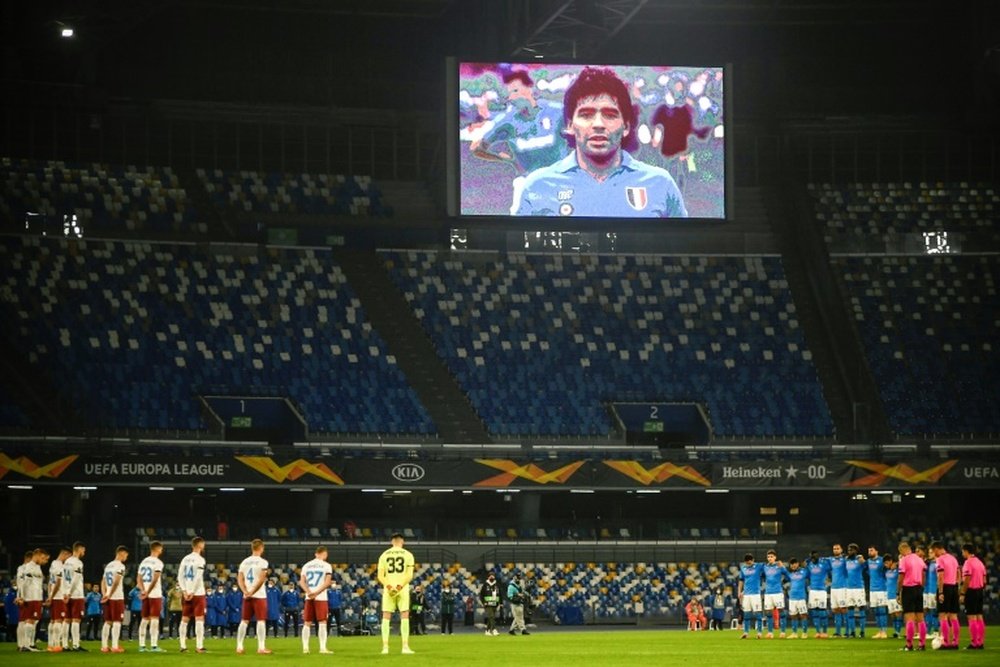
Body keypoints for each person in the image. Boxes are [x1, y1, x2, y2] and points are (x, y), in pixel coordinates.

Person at [515, 66, 687, 218]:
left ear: (626, 126)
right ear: (569, 125)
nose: (598, 124)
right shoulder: (538, 186)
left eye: (610, 115)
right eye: (586, 114)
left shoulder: (660, 183)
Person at [470, 68, 567, 214]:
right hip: (527, 183)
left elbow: (584, 135)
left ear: (529, 88)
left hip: (561, 182)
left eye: (515, 91)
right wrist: (504, 159)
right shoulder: (507, 121)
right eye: (509, 94)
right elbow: (476, 148)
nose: (511, 98)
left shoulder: (557, 111)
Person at [376, 532, 415, 655]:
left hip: (388, 587)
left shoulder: (384, 555)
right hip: (402, 588)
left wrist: (389, 586)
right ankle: (405, 647)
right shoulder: (408, 555)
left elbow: (380, 576)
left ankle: (385, 647)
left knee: (386, 616)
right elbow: (409, 575)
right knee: (404, 615)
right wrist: (399, 587)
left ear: (392, 541)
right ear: (402, 541)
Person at [236, 538, 271, 655]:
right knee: (261, 620)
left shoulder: (244, 562)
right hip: (259, 595)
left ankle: (239, 646)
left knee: (244, 621)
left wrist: (245, 591)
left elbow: (240, 579)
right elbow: (262, 579)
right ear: (261, 548)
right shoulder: (263, 562)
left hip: (247, 595)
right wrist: (253, 591)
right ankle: (261, 647)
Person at [299, 545, 333, 654]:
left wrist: (308, 592)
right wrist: (317, 593)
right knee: (322, 621)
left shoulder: (306, 565)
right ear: (325, 554)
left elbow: (302, 582)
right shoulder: (326, 566)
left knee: (307, 622)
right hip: (321, 597)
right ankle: (322, 648)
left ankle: (305, 648)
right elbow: (327, 582)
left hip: (309, 597)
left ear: (315, 554)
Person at [177, 535, 208, 653]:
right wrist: (192, 591)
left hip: (186, 593)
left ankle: (183, 646)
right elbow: (198, 577)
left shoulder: (185, 559)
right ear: (199, 545)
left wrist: (184, 591)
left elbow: (179, 576)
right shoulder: (200, 560)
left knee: (184, 619)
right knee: (199, 619)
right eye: (203, 544)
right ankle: (199, 646)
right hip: (197, 593)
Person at [16, 548, 49, 652]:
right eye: (43, 558)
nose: (44, 561)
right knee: (29, 620)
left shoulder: (37, 567)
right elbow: (23, 583)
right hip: (30, 597)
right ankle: (25, 645)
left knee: (34, 621)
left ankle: (31, 644)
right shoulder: (28, 567)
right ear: (37, 555)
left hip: (37, 597)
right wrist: (21, 597)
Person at [930, 540, 960, 649]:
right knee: (953, 616)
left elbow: (940, 576)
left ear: (937, 549)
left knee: (942, 615)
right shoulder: (953, 558)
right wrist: (957, 587)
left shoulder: (940, 559)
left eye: (934, 551)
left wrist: (941, 591)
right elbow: (958, 574)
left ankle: (945, 642)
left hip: (945, 587)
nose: (934, 554)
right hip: (953, 587)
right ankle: (955, 642)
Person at [897, 540, 927, 651]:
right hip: (919, 589)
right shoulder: (919, 559)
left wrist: (898, 592)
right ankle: (922, 644)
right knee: (920, 618)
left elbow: (900, 578)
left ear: (903, 550)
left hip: (908, 589)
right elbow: (924, 574)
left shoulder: (904, 560)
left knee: (909, 618)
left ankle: (909, 645)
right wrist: (921, 587)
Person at [137, 540, 166, 652]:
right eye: (161, 549)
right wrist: (148, 591)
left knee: (144, 619)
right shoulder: (158, 562)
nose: (162, 551)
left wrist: (143, 590)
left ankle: (142, 645)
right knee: (154, 619)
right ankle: (154, 645)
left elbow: (138, 579)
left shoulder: (143, 561)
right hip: (154, 594)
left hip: (146, 594)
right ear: (157, 549)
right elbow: (155, 578)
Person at [99, 545, 128, 653]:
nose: (126, 557)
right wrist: (110, 594)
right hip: (116, 597)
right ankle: (115, 646)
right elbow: (116, 581)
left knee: (107, 621)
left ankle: (104, 646)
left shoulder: (108, 566)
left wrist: (104, 594)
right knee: (117, 621)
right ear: (122, 553)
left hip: (107, 597)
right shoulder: (120, 566)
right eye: (126, 555)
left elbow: (102, 581)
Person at [959, 543, 986, 650]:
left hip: (971, 591)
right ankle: (980, 642)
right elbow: (984, 581)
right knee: (979, 616)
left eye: (962, 551)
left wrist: (962, 593)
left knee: (971, 617)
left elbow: (967, 579)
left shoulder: (968, 563)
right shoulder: (980, 563)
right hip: (979, 591)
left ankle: (974, 643)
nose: (962, 554)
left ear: (966, 551)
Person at [61, 542, 87, 651]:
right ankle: (76, 645)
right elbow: (76, 579)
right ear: (79, 549)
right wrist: (70, 593)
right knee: (76, 620)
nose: (84, 552)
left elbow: (62, 578)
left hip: (66, 594)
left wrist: (65, 593)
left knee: (66, 620)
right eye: (83, 550)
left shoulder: (66, 562)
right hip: (75, 594)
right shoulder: (78, 563)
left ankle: (65, 645)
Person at [46, 546, 70, 652]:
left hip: (53, 595)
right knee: (59, 620)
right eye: (68, 556)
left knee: (52, 620)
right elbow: (58, 582)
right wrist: (54, 596)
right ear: (64, 554)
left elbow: (50, 583)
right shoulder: (59, 566)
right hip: (58, 596)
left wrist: (49, 595)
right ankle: (56, 644)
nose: (68, 559)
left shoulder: (52, 564)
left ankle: (51, 644)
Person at [762, 549, 789, 638]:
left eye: (771, 557)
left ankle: (783, 632)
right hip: (768, 593)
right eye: (768, 557)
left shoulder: (779, 566)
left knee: (781, 612)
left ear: (775, 557)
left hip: (777, 592)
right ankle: (770, 633)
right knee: (769, 613)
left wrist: (783, 567)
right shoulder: (765, 567)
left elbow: (788, 577)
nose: (770, 558)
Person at [737, 552, 764, 639]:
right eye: (746, 563)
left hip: (756, 594)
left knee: (758, 614)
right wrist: (739, 591)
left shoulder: (759, 566)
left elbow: (768, 566)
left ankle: (759, 632)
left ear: (753, 560)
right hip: (746, 595)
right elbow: (741, 580)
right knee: (746, 614)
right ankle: (746, 632)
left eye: (749, 562)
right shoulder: (743, 568)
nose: (748, 564)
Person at [844, 543, 867, 638]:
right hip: (849, 588)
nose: (849, 552)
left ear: (855, 551)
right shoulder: (846, 560)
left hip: (859, 588)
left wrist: (862, 560)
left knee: (861, 609)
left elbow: (866, 566)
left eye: (851, 550)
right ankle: (852, 632)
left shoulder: (859, 560)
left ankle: (862, 632)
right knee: (850, 610)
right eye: (848, 550)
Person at [806, 551, 830, 638]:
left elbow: (830, 569)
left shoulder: (823, 565)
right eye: (811, 556)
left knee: (822, 612)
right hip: (812, 591)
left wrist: (827, 581)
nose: (813, 558)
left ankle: (825, 632)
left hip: (822, 591)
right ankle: (818, 632)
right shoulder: (810, 565)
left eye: (815, 556)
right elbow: (808, 576)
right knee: (814, 612)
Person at [866, 545, 889, 639]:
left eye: (871, 550)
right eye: (869, 551)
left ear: (876, 551)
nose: (870, 552)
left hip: (881, 589)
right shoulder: (868, 561)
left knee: (882, 610)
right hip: (872, 590)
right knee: (876, 612)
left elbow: (887, 570)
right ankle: (879, 631)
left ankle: (884, 631)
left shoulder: (882, 561)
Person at [827, 543, 849, 638]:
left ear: (841, 550)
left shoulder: (845, 560)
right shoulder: (831, 560)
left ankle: (847, 631)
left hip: (842, 587)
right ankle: (837, 632)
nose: (835, 550)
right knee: (835, 610)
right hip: (834, 588)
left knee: (844, 609)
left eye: (837, 548)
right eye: (834, 548)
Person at [917, 545, 939, 638]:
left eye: (931, 552)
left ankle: (936, 631)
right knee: (926, 610)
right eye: (929, 552)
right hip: (926, 590)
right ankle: (927, 631)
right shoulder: (928, 563)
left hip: (933, 590)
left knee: (934, 611)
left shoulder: (937, 563)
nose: (930, 554)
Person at [786, 558, 808, 639]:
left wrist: (807, 562)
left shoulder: (804, 571)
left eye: (794, 563)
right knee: (793, 616)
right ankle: (794, 633)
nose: (793, 565)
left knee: (803, 615)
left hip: (801, 597)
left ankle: (804, 633)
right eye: (791, 564)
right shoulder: (790, 574)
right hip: (792, 598)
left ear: (798, 564)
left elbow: (809, 570)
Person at [884, 553, 903, 638]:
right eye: (884, 563)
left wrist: (897, 564)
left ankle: (898, 632)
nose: (885, 565)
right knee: (892, 615)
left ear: (891, 561)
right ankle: (895, 631)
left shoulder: (898, 570)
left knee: (898, 613)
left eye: (887, 563)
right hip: (888, 595)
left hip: (896, 595)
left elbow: (903, 564)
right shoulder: (887, 571)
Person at [479, 572, 501, 637]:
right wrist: (483, 602)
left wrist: (500, 603)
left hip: (495, 603)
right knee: (491, 616)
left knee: (490, 617)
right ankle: (494, 629)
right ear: (488, 577)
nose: (492, 577)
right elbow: (481, 595)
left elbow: (500, 594)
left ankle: (487, 631)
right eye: (490, 576)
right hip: (487, 604)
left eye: (493, 576)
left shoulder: (497, 585)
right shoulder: (485, 585)